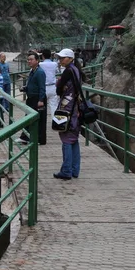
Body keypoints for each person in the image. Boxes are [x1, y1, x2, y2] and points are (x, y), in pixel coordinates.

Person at [53, 48, 87, 180]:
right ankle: (74, 170)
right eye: (60, 58)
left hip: (67, 109)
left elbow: (58, 89)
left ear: (70, 58)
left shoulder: (68, 71)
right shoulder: (76, 70)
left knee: (66, 139)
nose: (60, 60)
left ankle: (66, 170)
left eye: (63, 58)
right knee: (73, 139)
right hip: (75, 108)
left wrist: (59, 84)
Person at [17, 52, 46, 145]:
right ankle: (25, 137)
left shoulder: (40, 72)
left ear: (37, 61)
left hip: (37, 98)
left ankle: (39, 140)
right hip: (31, 98)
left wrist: (41, 100)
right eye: (28, 59)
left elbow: (42, 87)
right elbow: (32, 84)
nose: (29, 61)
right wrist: (25, 88)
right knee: (29, 118)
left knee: (39, 120)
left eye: (31, 59)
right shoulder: (32, 71)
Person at [39, 49, 60, 118]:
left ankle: (42, 122)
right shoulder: (55, 64)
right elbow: (57, 72)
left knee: (42, 105)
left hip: (43, 87)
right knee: (54, 106)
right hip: (53, 87)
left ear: (43, 56)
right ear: (50, 56)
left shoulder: (40, 64)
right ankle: (55, 122)